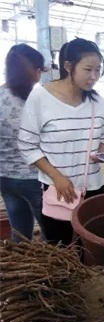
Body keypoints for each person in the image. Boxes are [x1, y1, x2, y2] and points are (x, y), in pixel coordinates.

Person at [18, 38, 104, 246]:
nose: (94, 76)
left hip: (94, 187)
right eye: (88, 70)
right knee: (61, 248)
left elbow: (102, 138)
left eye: (98, 70)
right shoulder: (41, 98)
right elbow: (27, 145)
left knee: (91, 248)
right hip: (60, 189)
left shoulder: (98, 102)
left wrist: (100, 153)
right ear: (68, 66)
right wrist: (56, 177)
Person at [0, 44, 46, 241]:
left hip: (5, 178)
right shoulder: (36, 99)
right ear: (33, 71)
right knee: (52, 233)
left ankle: (21, 255)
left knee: (19, 234)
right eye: (39, 70)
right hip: (34, 176)